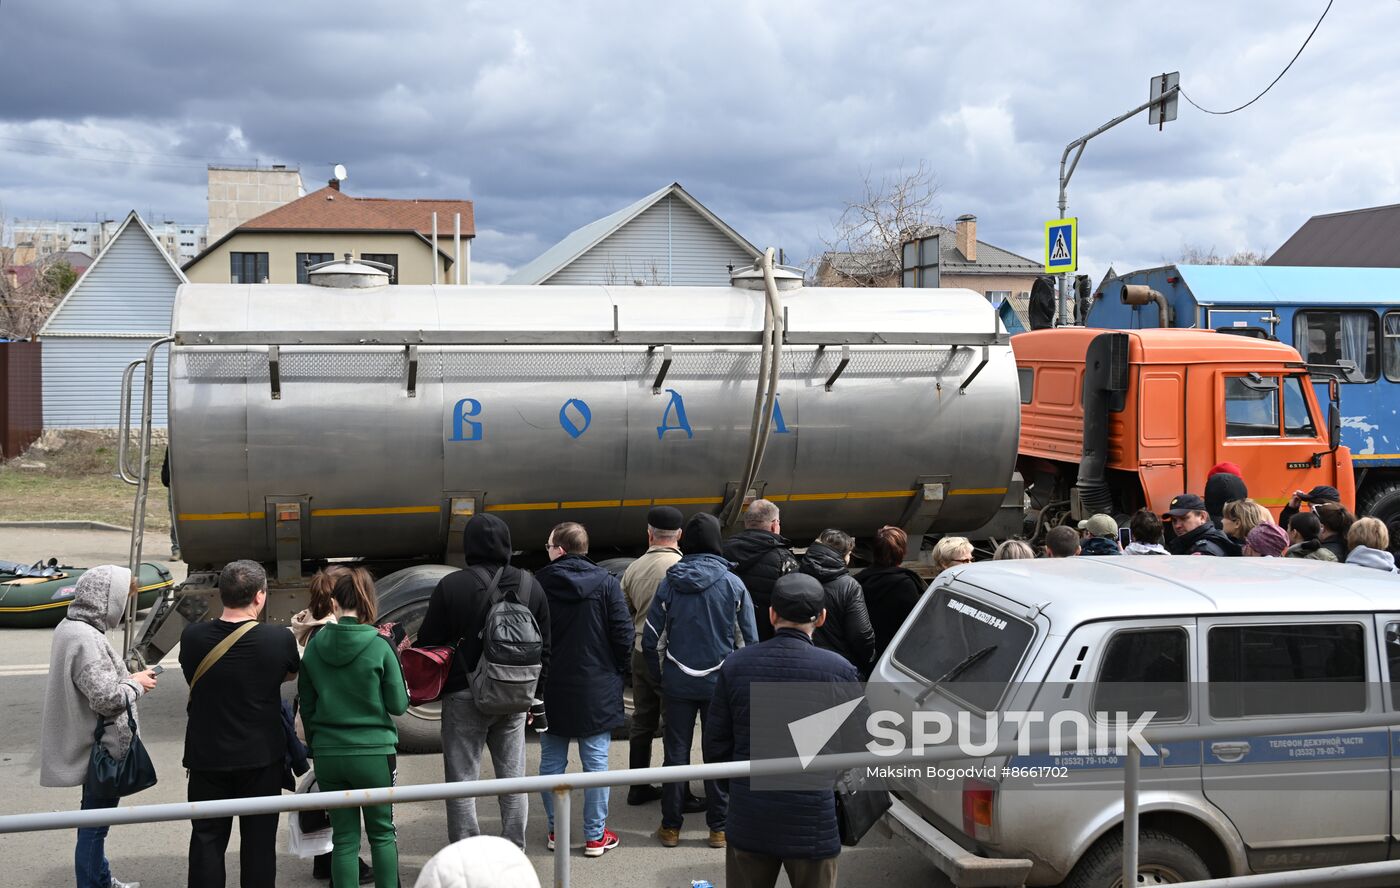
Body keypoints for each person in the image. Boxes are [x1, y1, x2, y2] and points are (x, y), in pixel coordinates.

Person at [705, 573, 858, 888]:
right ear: (822, 618)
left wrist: (740, 785)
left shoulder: (735, 665)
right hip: (813, 818)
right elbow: (857, 744)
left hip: (750, 816)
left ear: (772, 614)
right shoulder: (838, 670)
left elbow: (715, 746)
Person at [416, 513, 552, 849]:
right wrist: (535, 696)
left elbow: (429, 643)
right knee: (513, 781)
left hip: (465, 695)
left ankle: (467, 852)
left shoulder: (452, 585)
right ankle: (513, 849)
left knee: (462, 782)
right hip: (515, 695)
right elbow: (546, 649)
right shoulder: (531, 584)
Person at [179, 559, 300, 888]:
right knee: (259, 845)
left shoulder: (192, 638)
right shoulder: (278, 640)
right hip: (261, 758)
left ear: (221, 594)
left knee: (206, 841)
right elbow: (289, 673)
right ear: (260, 597)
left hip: (207, 757)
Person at [644, 512, 758, 849]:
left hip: (678, 683)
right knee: (718, 754)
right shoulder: (733, 584)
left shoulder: (670, 581)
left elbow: (652, 638)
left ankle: (670, 827)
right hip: (720, 685)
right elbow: (747, 642)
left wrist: (661, 678)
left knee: (675, 755)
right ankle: (718, 829)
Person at [40, 565, 159, 888]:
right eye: (122, 601)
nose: (123, 611)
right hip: (103, 746)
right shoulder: (86, 638)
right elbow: (107, 698)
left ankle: (101, 879)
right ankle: (95, 883)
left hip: (88, 742)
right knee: (95, 825)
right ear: (107, 600)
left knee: (93, 821)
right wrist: (137, 685)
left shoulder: (71, 626)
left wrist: (128, 678)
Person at [299, 566, 408, 887]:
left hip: (329, 754)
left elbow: (307, 704)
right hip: (374, 752)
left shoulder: (315, 645)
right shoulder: (379, 645)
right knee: (382, 836)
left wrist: (318, 744)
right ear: (367, 603)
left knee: (344, 839)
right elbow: (399, 704)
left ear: (334, 604)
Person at [535, 522, 631, 858]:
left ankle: (556, 832)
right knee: (596, 764)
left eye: (548, 545)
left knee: (551, 763)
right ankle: (594, 837)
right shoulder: (607, 583)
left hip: (551, 686)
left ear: (560, 549)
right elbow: (623, 634)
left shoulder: (538, 584)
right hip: (596, 686)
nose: (546, 550)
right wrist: (614, 671)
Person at [290, 566, 374, 884]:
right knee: (339, 802)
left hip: (315, 725)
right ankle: (338, 861)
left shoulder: (313, 625)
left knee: (329, 794)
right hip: (333, 727)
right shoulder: (333, 632)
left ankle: (325, 859)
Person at [619, 506, 684, 806]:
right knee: (674, 721)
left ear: (649, 534)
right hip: (673, 654)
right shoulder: (682, 568)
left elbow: (625, 612)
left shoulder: (633, 569)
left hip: (641, 652)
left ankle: (638, 786)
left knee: (642, 720)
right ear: (679, 535)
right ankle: (675, 792)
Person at [800, 529, 876, 677]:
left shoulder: (792, 577)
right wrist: (868, 660)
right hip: (838, 668)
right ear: (842, 557)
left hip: (800, 663)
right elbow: (861, 634)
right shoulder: (849, 586)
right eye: (848, 555)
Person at [722, 499, 798, 640]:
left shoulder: (723, 552)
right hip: (768, 639)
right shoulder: (783, 559)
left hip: (730, 638)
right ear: (774, 525)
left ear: (746, 524)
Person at [857, 526, 926, 661]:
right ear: (902, 552)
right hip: (894, 655)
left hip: (865, 653)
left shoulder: (858, 581)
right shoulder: (906, 584)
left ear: (875, 551)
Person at [413, 835, 542, 888]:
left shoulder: (437, 868)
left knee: (462, 788)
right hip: (510, 858)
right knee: (513, 787)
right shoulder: (516, 861)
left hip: (454, 862)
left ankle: (464, 839)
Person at [1163, 494, 1234, 556]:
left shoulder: (1204, 551)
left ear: (1202, 517)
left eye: (1183, 518)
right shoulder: (1191, 544)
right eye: (1174, 520)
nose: (1177, 526)